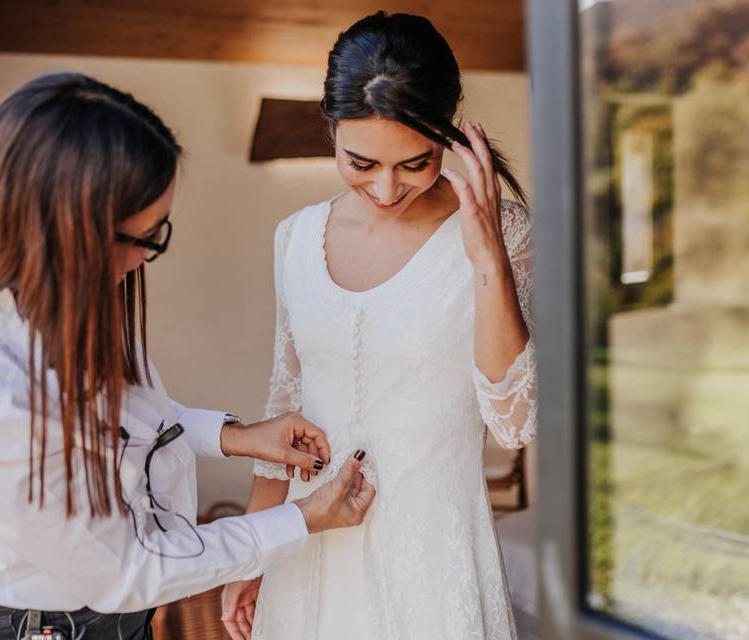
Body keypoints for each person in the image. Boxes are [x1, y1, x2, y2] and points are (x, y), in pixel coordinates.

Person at [0, 71, 375, 640]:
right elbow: (127, 569)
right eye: (145, 237)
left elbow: (121, 426)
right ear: (71, 231)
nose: (148, 257)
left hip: (111, 622)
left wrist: (237, 436)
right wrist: (300, 519)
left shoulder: (65, 298)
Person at [221, 12, 537, 640]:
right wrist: (253, 550)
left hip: (435, 567)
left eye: (415, 163)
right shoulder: (295, 239)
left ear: (449, 137)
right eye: (360, 162)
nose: (387, 188)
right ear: (331, 130)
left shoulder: (504, 235)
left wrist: (487, 257)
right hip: (306, 555)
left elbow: (515, 423)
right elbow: (284, 406)